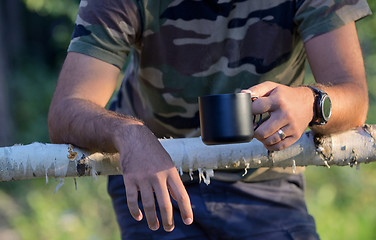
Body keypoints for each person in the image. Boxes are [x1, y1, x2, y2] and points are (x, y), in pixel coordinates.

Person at [48, 0, 371, 239]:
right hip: (154, 178)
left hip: (265, 181)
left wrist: (311, 102)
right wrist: (129, 134)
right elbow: (66, 109)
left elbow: (354, 97)